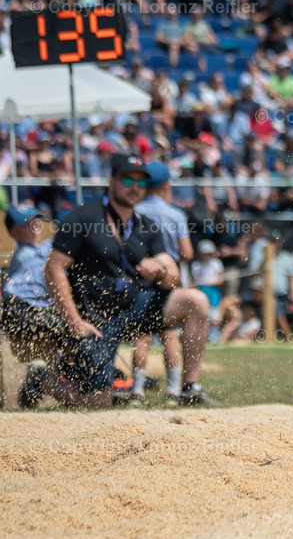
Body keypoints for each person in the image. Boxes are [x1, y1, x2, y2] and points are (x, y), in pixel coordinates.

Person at [24, 155, 217, 408]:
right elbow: (53, 269)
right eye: (128, 180)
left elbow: (172, 273)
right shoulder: (81, 218)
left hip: (134, 309)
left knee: (195, 300)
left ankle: (190, 388)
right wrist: (74, 321)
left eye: (140, 182)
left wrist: (159, 270)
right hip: (94, 319)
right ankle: (40, 381)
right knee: (97, 402)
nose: (135, 187)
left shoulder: (146, 226)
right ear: (111, 181)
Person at [131, 161, 191, 405]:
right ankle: (174, 392)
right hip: (168, 281)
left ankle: (136, 391)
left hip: (142, 279)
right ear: (167, 185)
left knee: (142, 336)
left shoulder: (134, 211)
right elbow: (186, 253)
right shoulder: (175, 214)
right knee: (170, 335)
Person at [2, 206, 66, 393]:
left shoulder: (34, 250)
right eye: (26, 225)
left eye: (35, 223)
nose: (35, 228)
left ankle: (45, 378)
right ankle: (49, 379)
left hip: (23, 312)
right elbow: (51, 282)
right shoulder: (29, 255)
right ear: (12, 232)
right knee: (72, 328)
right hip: (22, 312)